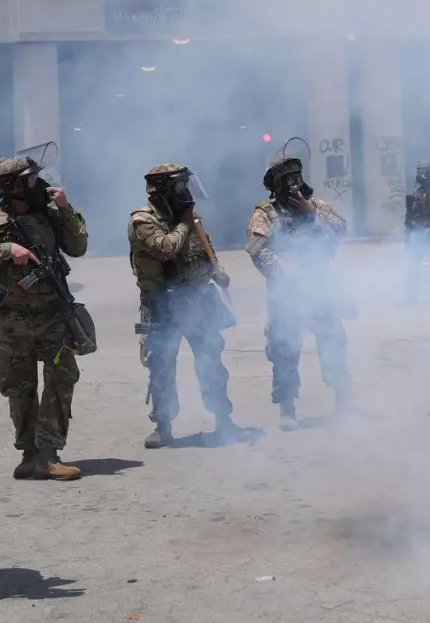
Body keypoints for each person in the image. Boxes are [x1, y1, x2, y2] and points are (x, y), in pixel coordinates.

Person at [0, 156, 88, 482]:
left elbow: (78, 246)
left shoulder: (49, 214)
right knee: (18, 387)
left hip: (52, 314)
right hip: (12, 318)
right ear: (14, 187)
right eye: (32, 179)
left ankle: (49, 454)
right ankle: (29, 454)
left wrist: (65, 207)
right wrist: (6, 250)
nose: (40, 183)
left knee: (62, 378)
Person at [129, 163, 242, 448]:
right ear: (164, 189)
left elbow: (205, 247)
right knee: (161, 366)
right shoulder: (143, 220)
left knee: (210, 362)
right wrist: (183, 223)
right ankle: (163, 426)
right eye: (180, 186)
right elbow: (165, 248)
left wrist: (218, 270)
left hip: (197, 301)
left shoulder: (191, 218)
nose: (186, 192)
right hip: (163, 304)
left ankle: (223, 419)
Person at [245, 157, 352, 430]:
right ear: (276, 184)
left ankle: (343, 403)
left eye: (297, 175)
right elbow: (258, 249)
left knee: (333, 343)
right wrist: (285, 269)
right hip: (286, 293)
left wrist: (313, 217)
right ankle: (287, 408)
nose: (294, 182)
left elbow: (340, 230)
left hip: (318, 289)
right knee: (284, 349)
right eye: (287, 178)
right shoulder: (266, 213)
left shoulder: (316, 207)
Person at [403, 161, 430, 304]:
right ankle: (412, 298)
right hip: (419, 233)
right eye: (420, 170)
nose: (421, 174)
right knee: (414, 267)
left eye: (425, 171)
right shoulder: (420, 190)